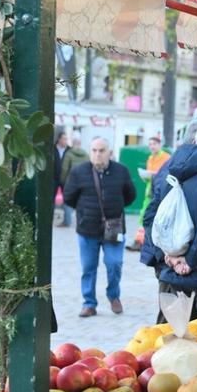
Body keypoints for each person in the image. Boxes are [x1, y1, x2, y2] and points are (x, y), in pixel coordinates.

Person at [141, 121, 197, 321]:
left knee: (169, 343)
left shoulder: (169, 168)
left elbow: (151, 217)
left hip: (169, 275)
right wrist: (189, 261)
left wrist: (168, 256)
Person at [63, 137, 137, 317]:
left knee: (114, 264)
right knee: (88, 267)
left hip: (114, 230)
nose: (97, 154)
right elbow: (69, 197)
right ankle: (89, 303)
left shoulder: (121, 171)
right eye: (94, 150)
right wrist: (84, 212)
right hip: (87, 230)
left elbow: (130, 195)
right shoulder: (79, 172)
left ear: (109, 153)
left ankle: (114, 296)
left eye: (101, 150)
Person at [129, 136, 172, 251]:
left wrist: (154, 175)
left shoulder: (166, 158)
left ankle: (147, 242)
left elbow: (166, 174)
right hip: (149, 191)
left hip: (160, 192)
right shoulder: (150, 158)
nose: (152, 146)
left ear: (160, 145)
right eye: (150, 144)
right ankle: (139, 241)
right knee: (143, 216)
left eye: (154, 144)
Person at [56, 134, 88, 228]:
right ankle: (82, 221)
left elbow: (65, 168)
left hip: (70, 182)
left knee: (68, 201)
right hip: (83, 181)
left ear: (73, 144)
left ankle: (67, 221)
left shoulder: (69, 154)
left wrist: (62, 180)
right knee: (82, 201)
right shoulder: (86, 154)